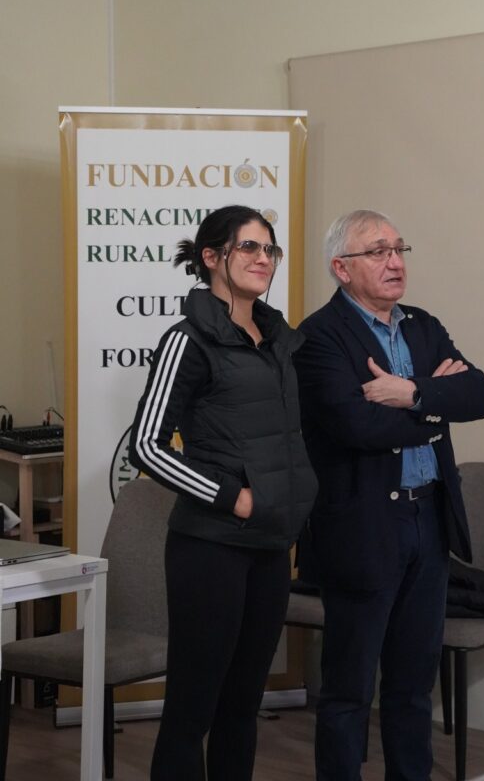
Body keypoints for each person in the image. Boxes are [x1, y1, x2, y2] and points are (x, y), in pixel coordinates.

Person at [293, 209, 484, 781]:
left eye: (399, 249)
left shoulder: (422, 326)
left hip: (428, 519)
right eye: (378, 251)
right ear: (341, 268)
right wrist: (435, 408)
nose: (395, 262)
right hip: (361, 529)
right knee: (349, 689)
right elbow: (356, 426)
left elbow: (479, 395)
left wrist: (409, 393)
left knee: (412, 685)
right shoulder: (318, 336)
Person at [128, 204, 317, 781]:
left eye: (269, 249)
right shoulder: (188, 340)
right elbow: (147, 446)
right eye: (249, 247)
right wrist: (232, 497)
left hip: (270, 546)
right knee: (193, 709)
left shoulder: (277, 339)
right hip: (209, 548)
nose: (263, 259)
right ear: (212, 257)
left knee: (242, 706)